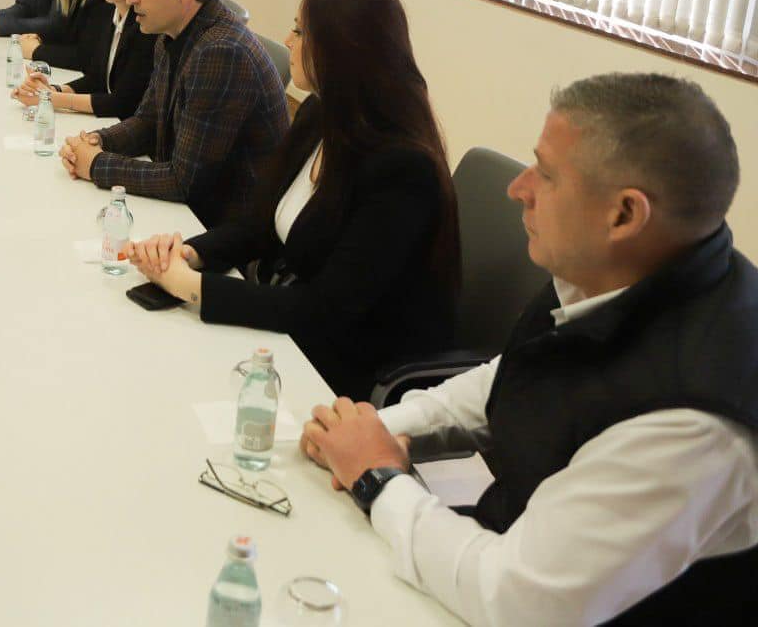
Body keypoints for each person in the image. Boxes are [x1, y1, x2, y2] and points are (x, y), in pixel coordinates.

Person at [301, 74, 757, 626]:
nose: (518, 188)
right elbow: (512, 375)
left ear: (623, 215)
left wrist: (377, 477)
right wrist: (368, 430)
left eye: (545, 173)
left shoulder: (694, 417)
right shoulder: (618, 273)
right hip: (508, 544)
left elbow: (518, 601)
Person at [128, 0, 459, 399]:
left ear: (341, 50)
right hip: (293, 336)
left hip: (345, 374)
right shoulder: (320, 114)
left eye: (300, 32)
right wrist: (189, 253)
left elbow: (326, 308)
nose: (288, 41)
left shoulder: (403, 168)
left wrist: (190, 287)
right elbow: (259, 224)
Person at [58, 0, 287, 227]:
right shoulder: (172, 33)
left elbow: (184, 181)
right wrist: (96, 141)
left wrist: (97, 165)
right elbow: (148, 121)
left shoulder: (220, 51)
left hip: (223, 228)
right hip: (192, 214)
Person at [13, 0, 155, 119]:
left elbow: (123, 103)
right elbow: (97, 79)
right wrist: (54, 89)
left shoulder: (146, 25)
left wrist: (50, 98)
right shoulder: (113, 13)